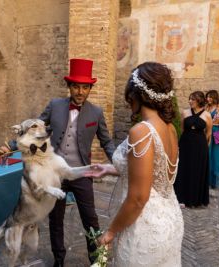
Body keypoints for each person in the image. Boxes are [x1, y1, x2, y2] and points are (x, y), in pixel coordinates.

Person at [0, 58, 115, 266]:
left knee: (90, 218)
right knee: (56, 220)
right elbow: (34, 129)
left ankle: (95, 260)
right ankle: (59, 260)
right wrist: (10, 145)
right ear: (69, 86)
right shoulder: (55, 106)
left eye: (85, 87)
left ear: (90, 88)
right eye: (76, 86)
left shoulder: (96, 113)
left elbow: (106, 141)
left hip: (80, 173)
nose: (80, 91)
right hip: (55, 173)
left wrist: (118, 162)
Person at [87, 62, 183, 266]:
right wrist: (109, 169)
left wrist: (110, 232)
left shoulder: (142, 132)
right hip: (170, 219)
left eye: (129, 96)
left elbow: (139, 198)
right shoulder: (171, 129)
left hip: (144, 227)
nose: (128, 101)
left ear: (137, 94)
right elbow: (154, 173)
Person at [174, 91, 212, 208]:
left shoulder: (207, 115)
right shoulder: (185, 112)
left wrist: (204, 149)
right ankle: (181, 197)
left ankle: (194, 199)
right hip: (185, 144)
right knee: (183, 169)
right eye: (189, 99)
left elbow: (209, 133)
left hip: (200, 147)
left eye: (193, 99)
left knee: (196, 170)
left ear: (199, 100)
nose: (190, 101)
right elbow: (182, 129)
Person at [205, 90, 219, 188]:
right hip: (207, 133)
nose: (208, 99)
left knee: (217, 158)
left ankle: (216, 182)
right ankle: (207, 181)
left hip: (217, 133)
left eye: (210, 97)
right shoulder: (206, 108)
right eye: (207, 97)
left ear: (215, 98)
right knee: (208, 157)